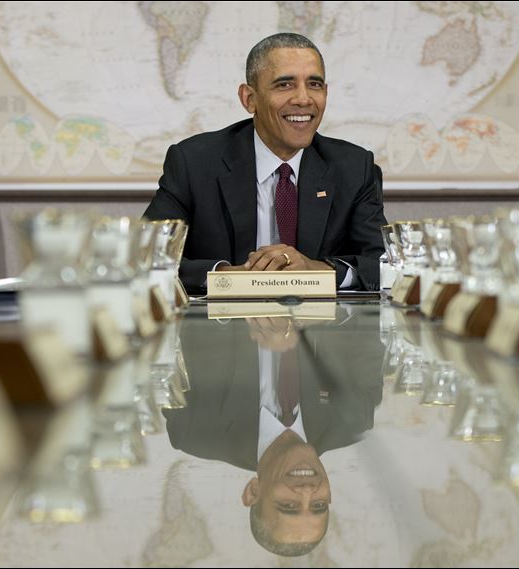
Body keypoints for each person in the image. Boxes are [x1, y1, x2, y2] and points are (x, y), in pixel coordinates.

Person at [144, 33, 387, 291]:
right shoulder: (193, 163)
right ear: (249, 99)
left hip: (321, 327)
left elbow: (384, 265)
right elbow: (147, 256)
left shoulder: (354, 167)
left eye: (314, 84)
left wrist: (315, 269)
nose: (304, 99)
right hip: (222, 326)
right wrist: (229, 277)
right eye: (285, 85)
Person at [163, 311, 384, 556]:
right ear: (330, 495)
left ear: (253, 492)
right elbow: (366, 309)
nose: (307, 491)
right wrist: (318, 310)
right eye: (319, 504)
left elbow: (166, 319)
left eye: (288, 505)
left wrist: (227, 282)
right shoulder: (354, 415)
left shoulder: (195, 429)